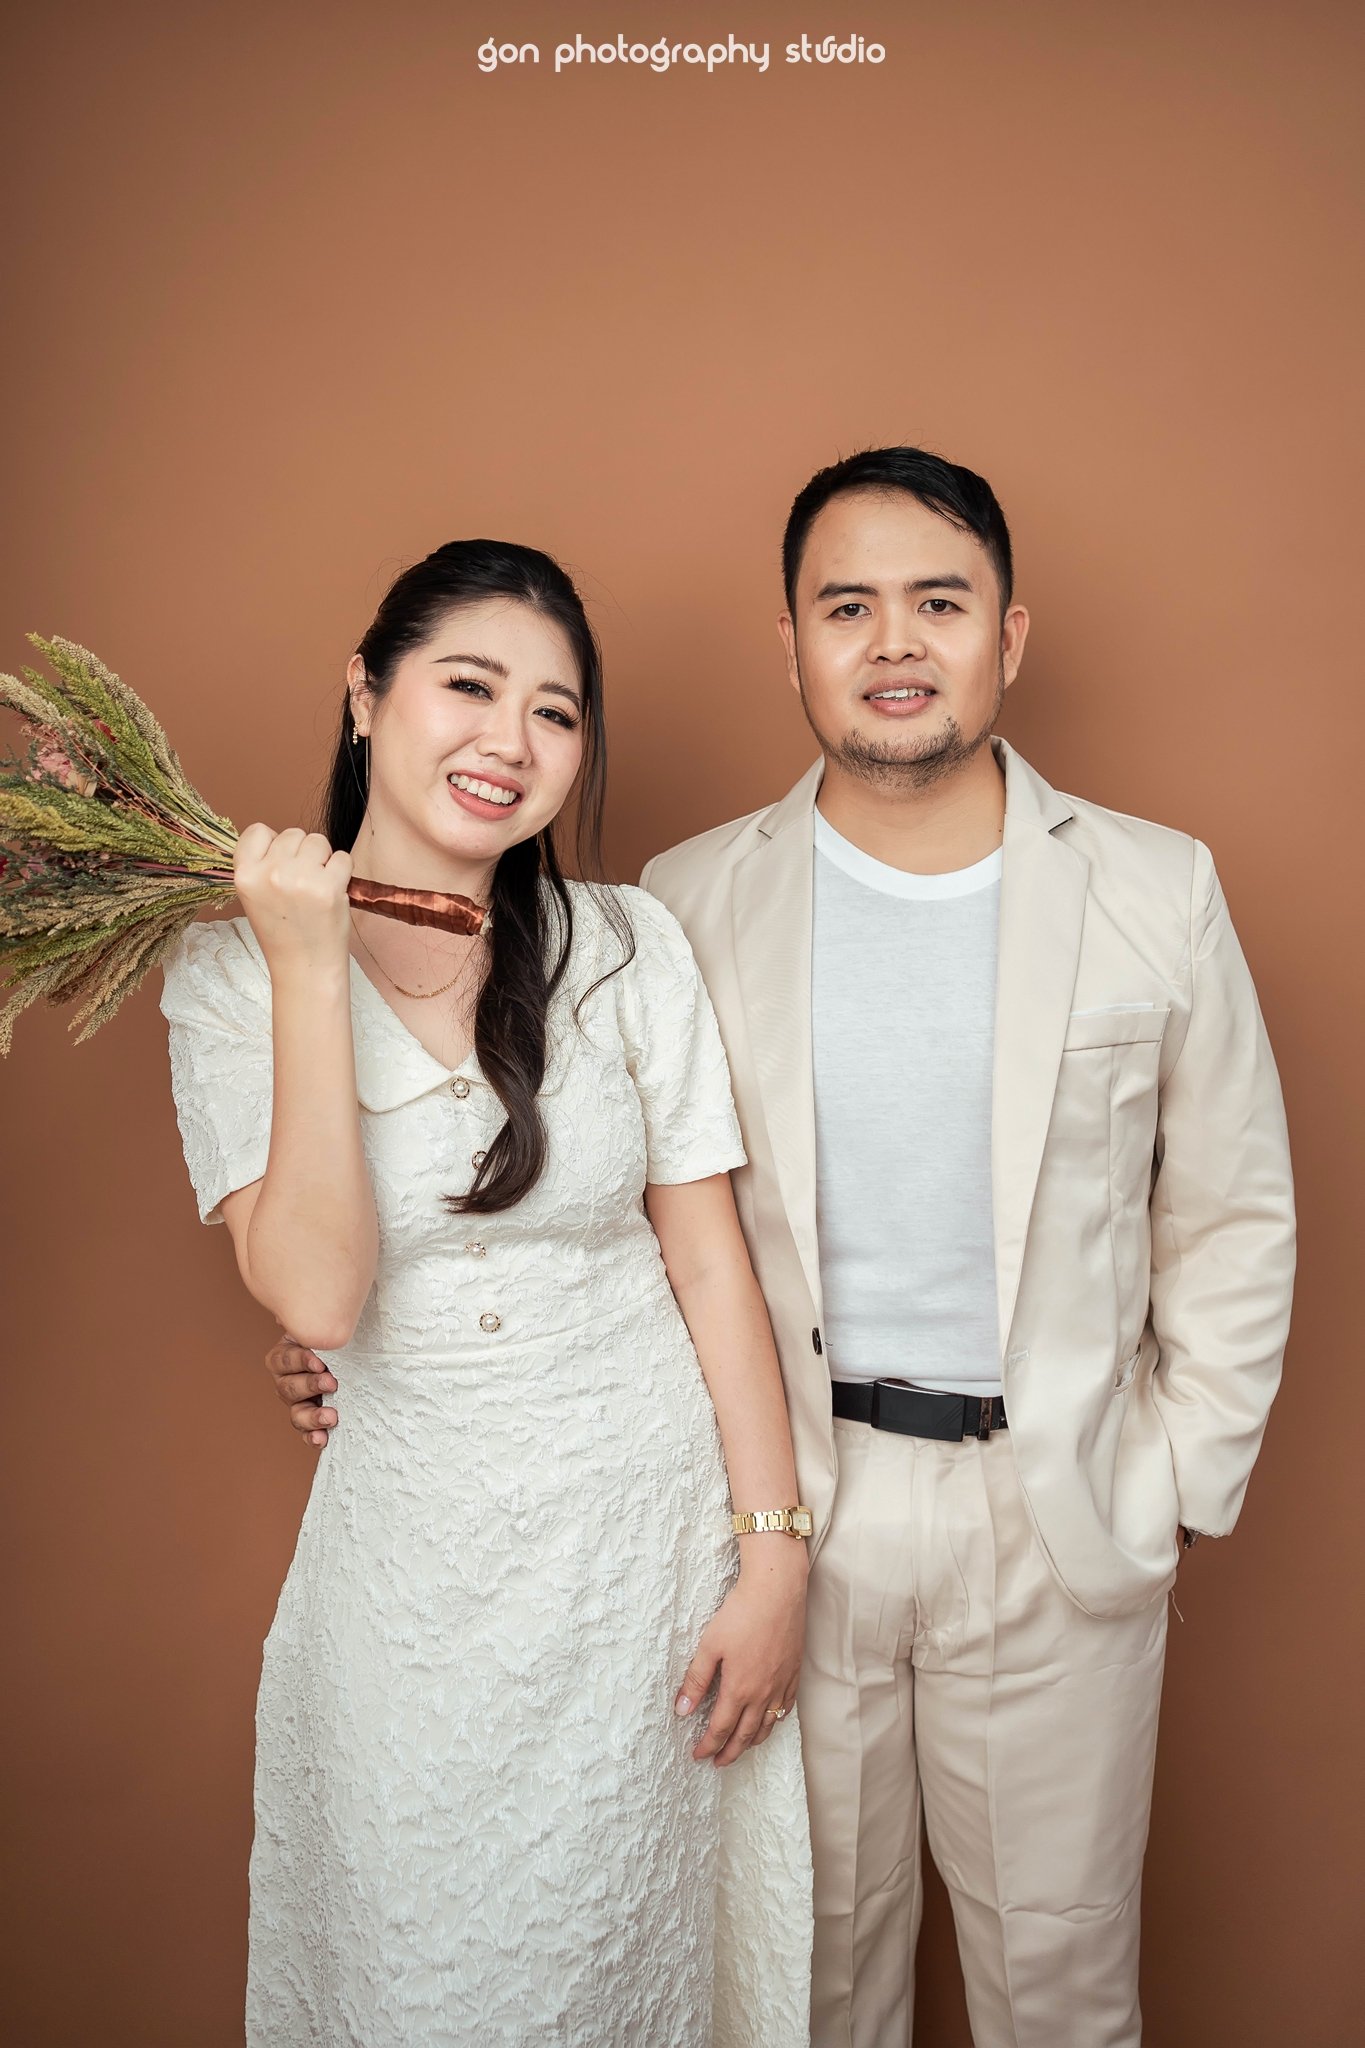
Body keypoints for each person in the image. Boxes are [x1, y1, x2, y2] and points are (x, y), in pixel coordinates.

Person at [274, 453, 1296, 2048]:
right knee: (802, 1988)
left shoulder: (1156, 888)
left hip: (1059, 1511)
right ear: (792, 645)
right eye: (846, 607)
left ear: (1008, 635)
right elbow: (593, 1205)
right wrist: (360, 1347)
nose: (893, 643)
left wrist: (1167, 1481)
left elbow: (1233, 1208)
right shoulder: (683, 905)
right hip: (779, 1512)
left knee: (1065, 1986)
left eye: (938, 603)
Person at [159, 538, 813, 2048]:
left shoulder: (627, 946)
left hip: (645, 1566)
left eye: (555, 712)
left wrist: (772, 1560)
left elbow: (708, 1262)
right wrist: (308, 964)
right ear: (365, 693)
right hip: (414, 1588)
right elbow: (318, 1296)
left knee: (625, 1967)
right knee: (425, 1975)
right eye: (468, 686)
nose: (509, 742)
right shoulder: (226, 971)